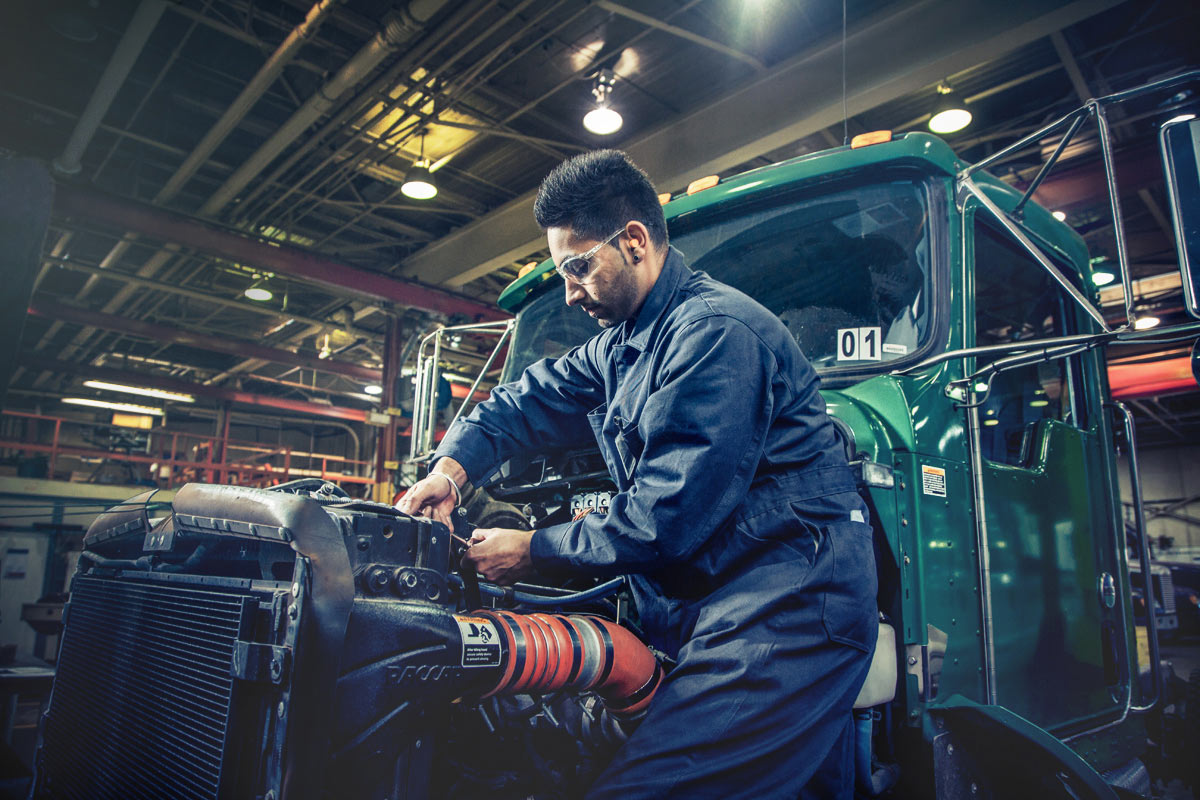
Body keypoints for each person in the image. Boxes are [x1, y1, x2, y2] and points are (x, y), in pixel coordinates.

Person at [398, 149, 877, 799]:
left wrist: (534, 549)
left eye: (578, 267)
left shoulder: (713, 332)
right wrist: (451, 472)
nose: (569, 291)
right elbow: (525, 401)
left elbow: (666, 517)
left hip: (786, 603)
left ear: (633, 242)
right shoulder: (624, 344)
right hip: (712, 599)